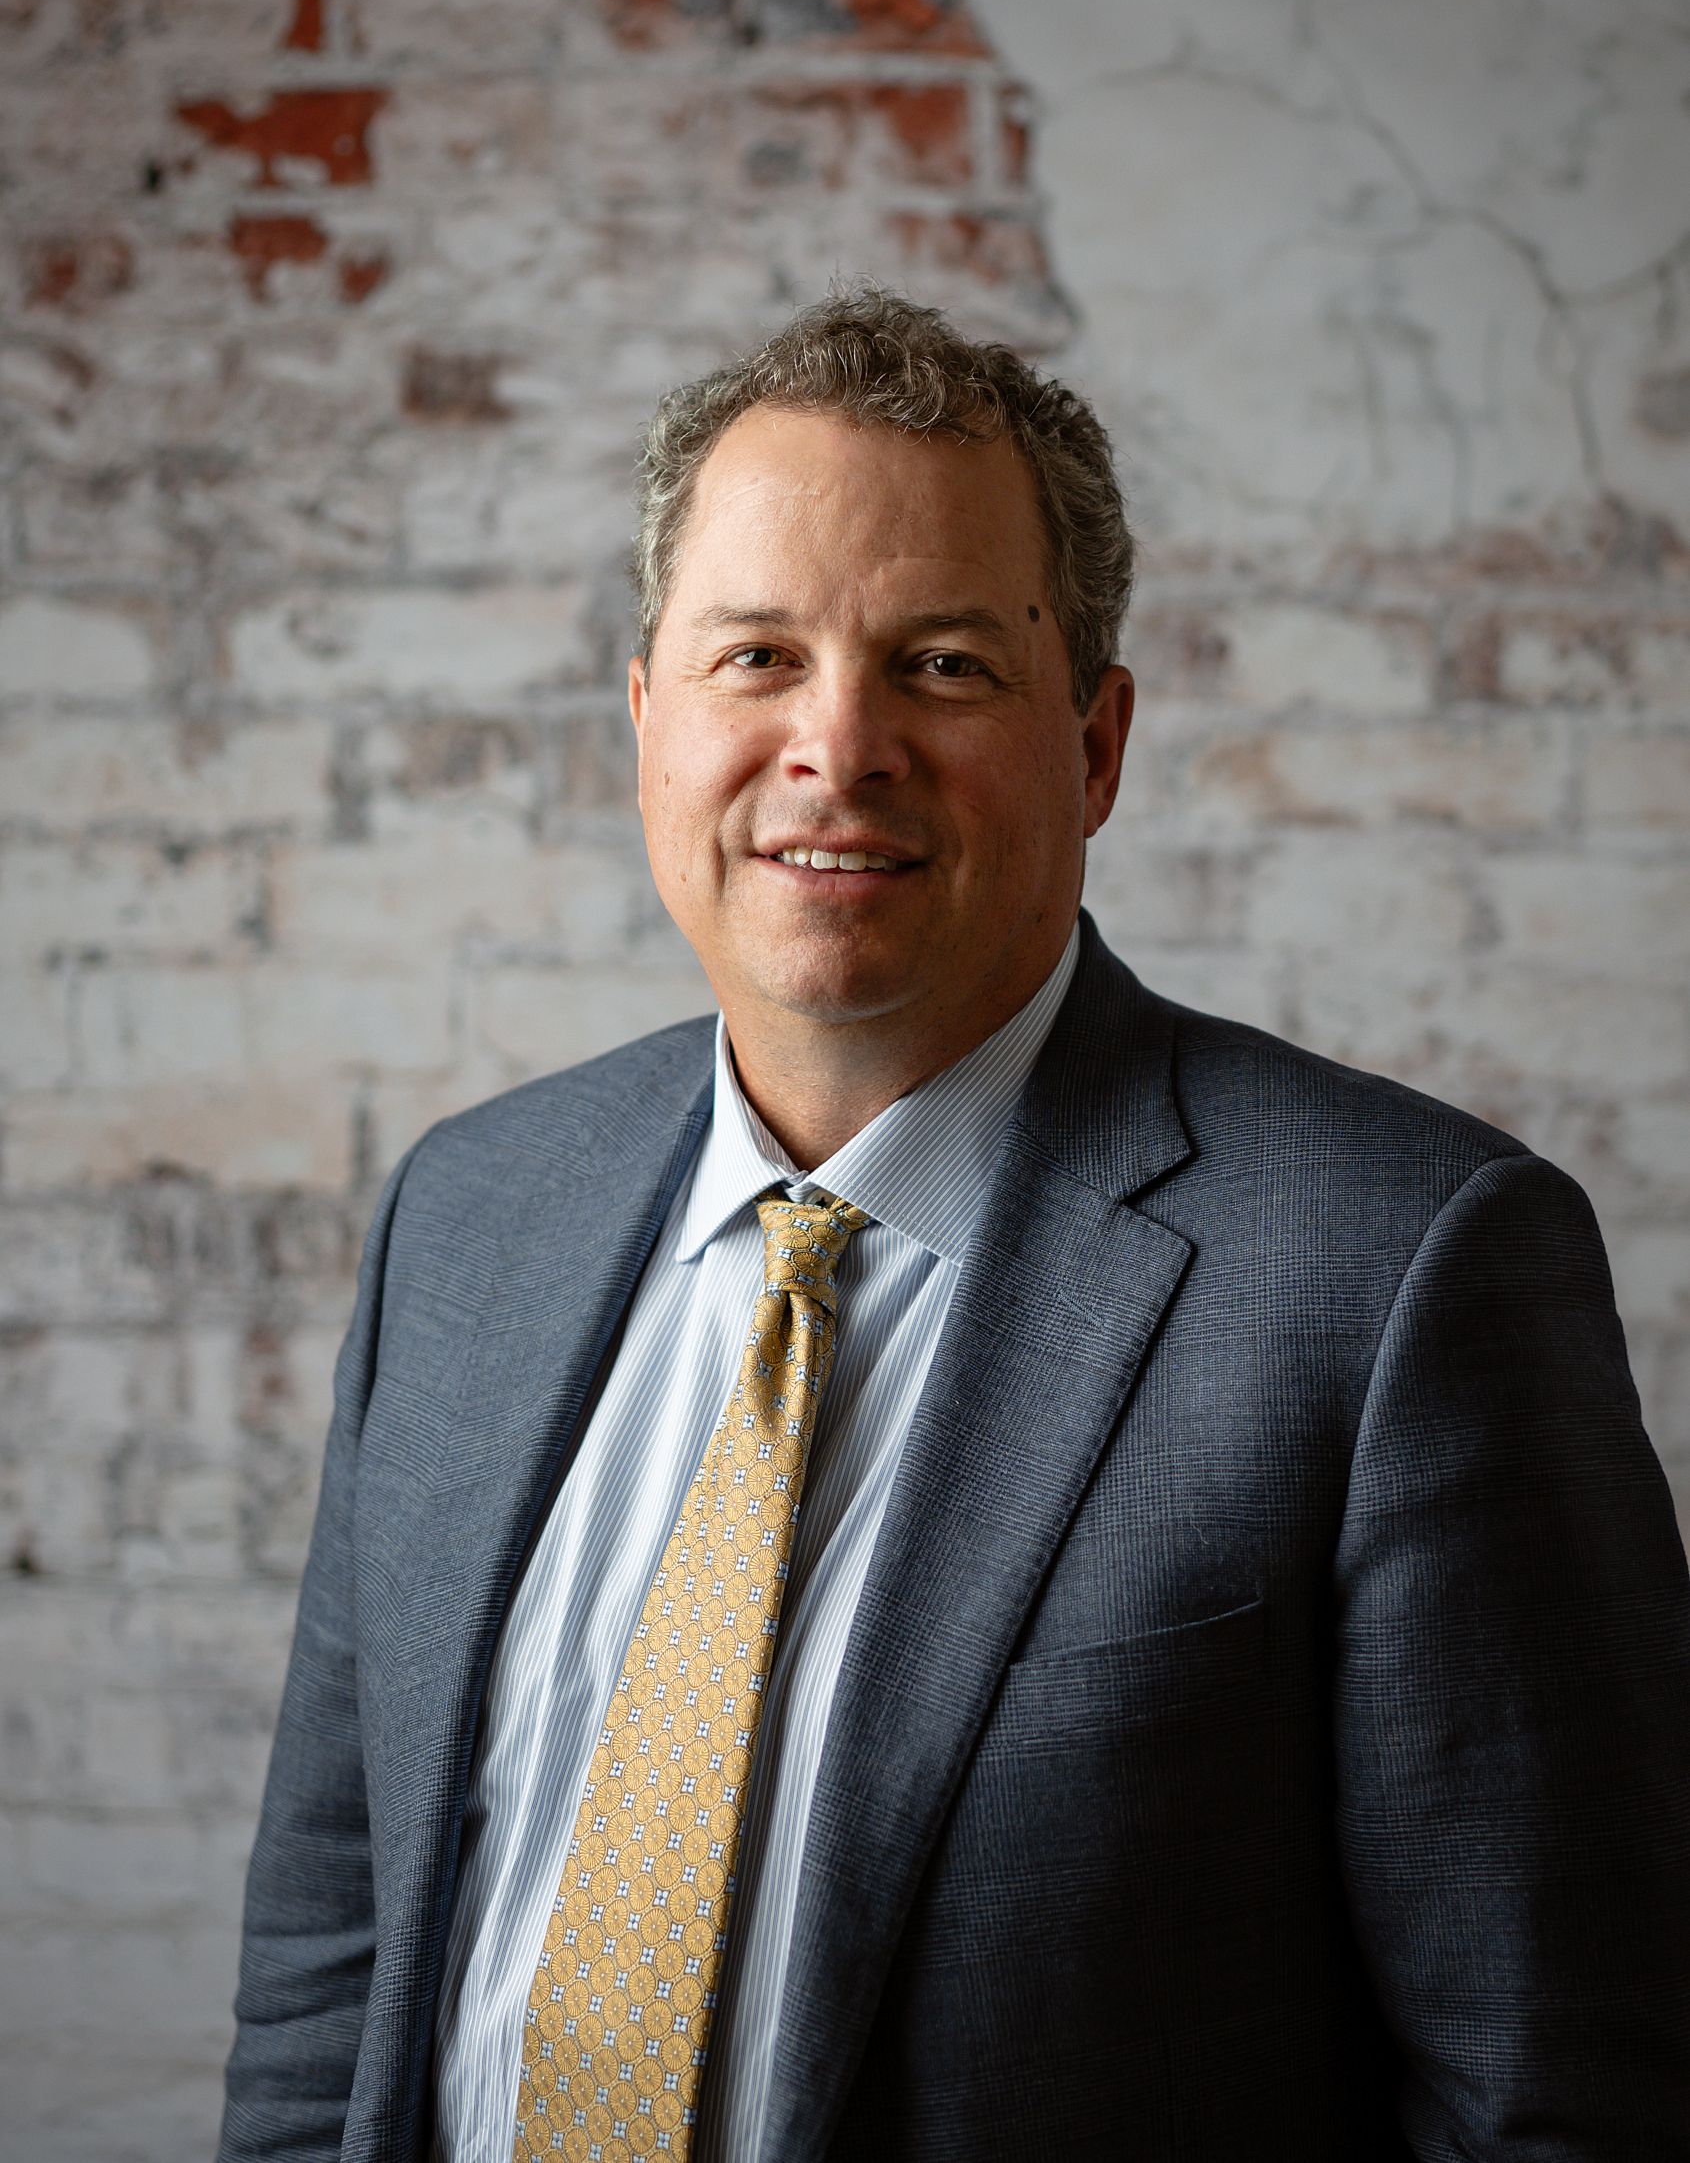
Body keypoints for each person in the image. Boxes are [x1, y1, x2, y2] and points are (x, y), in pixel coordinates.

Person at [221, 288, 1690, 2163]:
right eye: (757, 655)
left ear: (1093, 744)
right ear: (646, 718)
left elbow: (1556, 2096)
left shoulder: (1406, 1271)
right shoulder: (469, 1215)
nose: (837, 748)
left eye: (939, 665)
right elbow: (320, 1996)